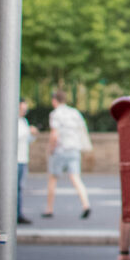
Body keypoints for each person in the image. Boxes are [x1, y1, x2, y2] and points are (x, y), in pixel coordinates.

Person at [42, 90, 91, 219]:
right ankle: (86, 204)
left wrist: (50, 149)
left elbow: (54, 134)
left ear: (54, 100)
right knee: (76, 178)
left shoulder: (55, 114)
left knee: (52, 178)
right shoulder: (74, 112)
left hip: (60, 149)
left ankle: (49, 209)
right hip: (74, 148)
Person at [16, 98, 39, 224]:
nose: (24, 111)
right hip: (14, 160)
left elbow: (27, 140)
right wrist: (28, 132)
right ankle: (12, 214)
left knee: (19, 188)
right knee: (12, 188)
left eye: (25, 109)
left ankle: (18, 213)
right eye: (22, 108)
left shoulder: (23, 121)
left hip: (23, 158)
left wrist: (33, 135)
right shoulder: (11, 120)